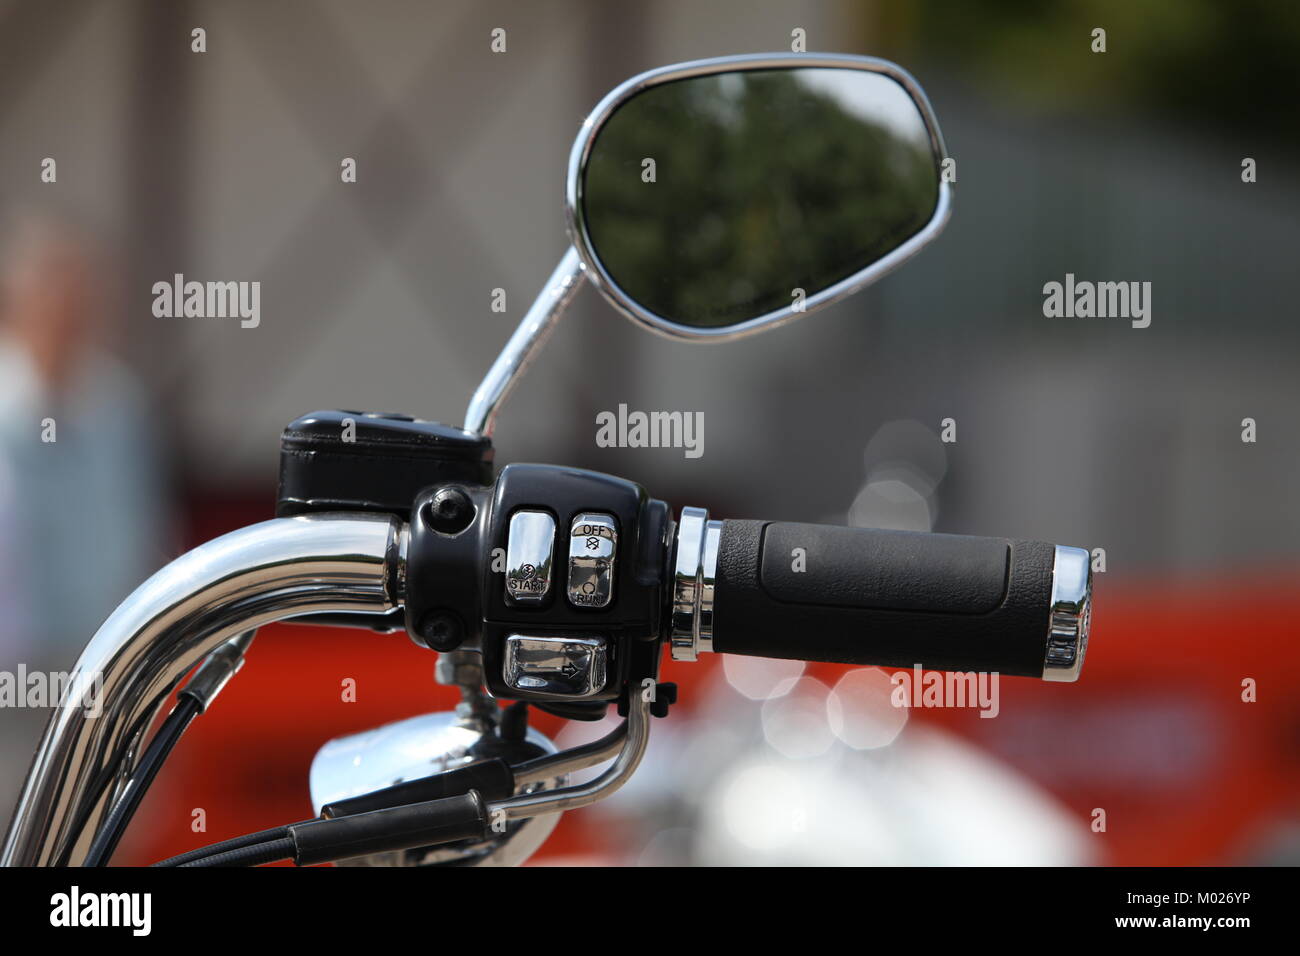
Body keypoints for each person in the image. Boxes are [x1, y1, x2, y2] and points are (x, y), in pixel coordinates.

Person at [0, 213, 167, 831]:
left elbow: (144, 539)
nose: (67, 309)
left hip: (94, 679)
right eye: (51, 288)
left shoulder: (116, 407)